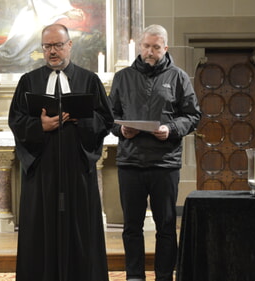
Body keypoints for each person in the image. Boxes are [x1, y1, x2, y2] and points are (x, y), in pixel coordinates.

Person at [8, 23, 114, 281]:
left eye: (57, 45)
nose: (52, 51)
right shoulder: (29, 81)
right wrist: (39, 126)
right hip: (42, 169)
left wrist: (83, 120)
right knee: (40, 228)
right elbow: (16, 121)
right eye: (47, 46)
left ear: (69, 45)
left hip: (77, 167)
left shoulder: (89, 79)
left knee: (80, 226)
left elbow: (106, 120)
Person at [108, 24, 201, 281]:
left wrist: (171, 129)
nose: (150, 52)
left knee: (167, 227)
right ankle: (134, 276)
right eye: (146, 46)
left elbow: (193, 115)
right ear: (140, 46)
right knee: (132, 227)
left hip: (165, 164)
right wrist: (122, 130)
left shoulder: (179, 77)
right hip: (130, 162)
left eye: (156, 47)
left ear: (165, 48)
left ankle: (163, 276)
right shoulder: (123, 77)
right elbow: (110, 116)